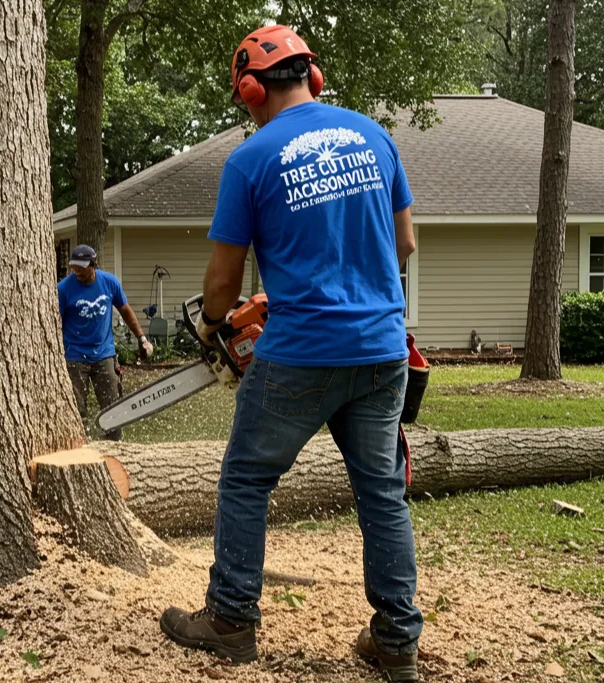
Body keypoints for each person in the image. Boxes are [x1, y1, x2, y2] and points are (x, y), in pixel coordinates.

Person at [158, 25, 422, 682]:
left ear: (249, 90)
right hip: (383, 347)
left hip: (302, 351)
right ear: (314, 74)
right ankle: (395, 639)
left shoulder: (251, 159)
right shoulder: (374, 137)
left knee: (247, 478)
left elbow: (221, 285)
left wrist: (215, 327)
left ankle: (229, 618)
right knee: (382, 494)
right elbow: (406, 246)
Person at [58, 244, 153, 440]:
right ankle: (78, 451)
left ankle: (114, 448)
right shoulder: (63, 289)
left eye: (82, 268)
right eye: (74, 267)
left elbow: (125, 310)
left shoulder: (109, 282)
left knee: (113, 408)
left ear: (93, 265)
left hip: (104, 354)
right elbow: (55, 323)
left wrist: (141, 338)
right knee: (76, 410)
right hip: (74, 356)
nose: (77, 272)